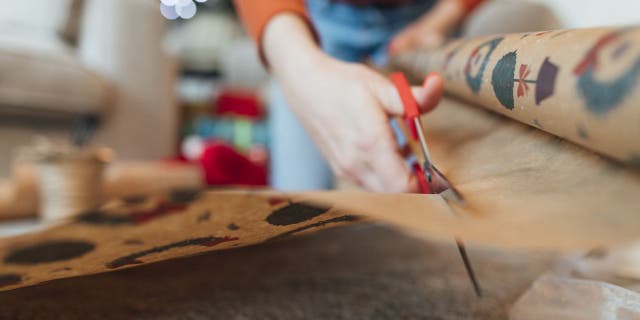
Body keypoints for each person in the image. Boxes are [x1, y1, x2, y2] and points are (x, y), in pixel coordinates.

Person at [234, 0, 485, 192]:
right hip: (310, 22)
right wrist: (297, 64)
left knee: (452, 178)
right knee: (298, 193)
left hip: (426, 17)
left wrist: (444, 16)